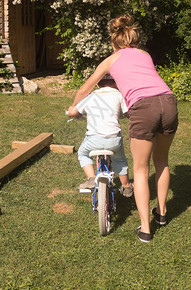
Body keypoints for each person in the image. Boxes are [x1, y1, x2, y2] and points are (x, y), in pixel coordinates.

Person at [70, 15, 178, 242]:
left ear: (114, 42)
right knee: (162, 162)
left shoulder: (111, 60)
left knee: (140, 169)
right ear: (134, 39)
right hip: (168, 102)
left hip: (144, 106)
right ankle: (162, 214)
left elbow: (84, 89)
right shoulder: (145, 55)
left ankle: (146, 229)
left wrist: (73, 108)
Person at [67, 75, 133, 198]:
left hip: (93, 140)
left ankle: (91, 178)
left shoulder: (92, 96)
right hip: (114, 140)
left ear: (97, 84)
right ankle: (126, 186)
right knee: (120, 160)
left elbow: (73, 112)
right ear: (116, 83)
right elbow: (128, 113)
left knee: (83, 153)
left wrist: (70, 110)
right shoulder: (119, 95)